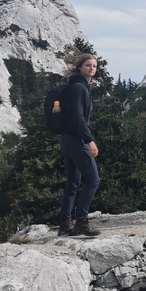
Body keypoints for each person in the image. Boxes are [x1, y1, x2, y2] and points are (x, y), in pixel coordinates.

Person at [59, 54, 102, 236]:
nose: (92, 68)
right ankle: (81, 222)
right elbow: (79, 117)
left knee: (74, 183)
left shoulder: (76, 85)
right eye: (88, 65)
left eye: (94, 65)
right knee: (93, 180)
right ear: (80, 67)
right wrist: (89, 140)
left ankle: (65, 224)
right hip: (77, 140)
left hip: (67, 139)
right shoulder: (79, 87)